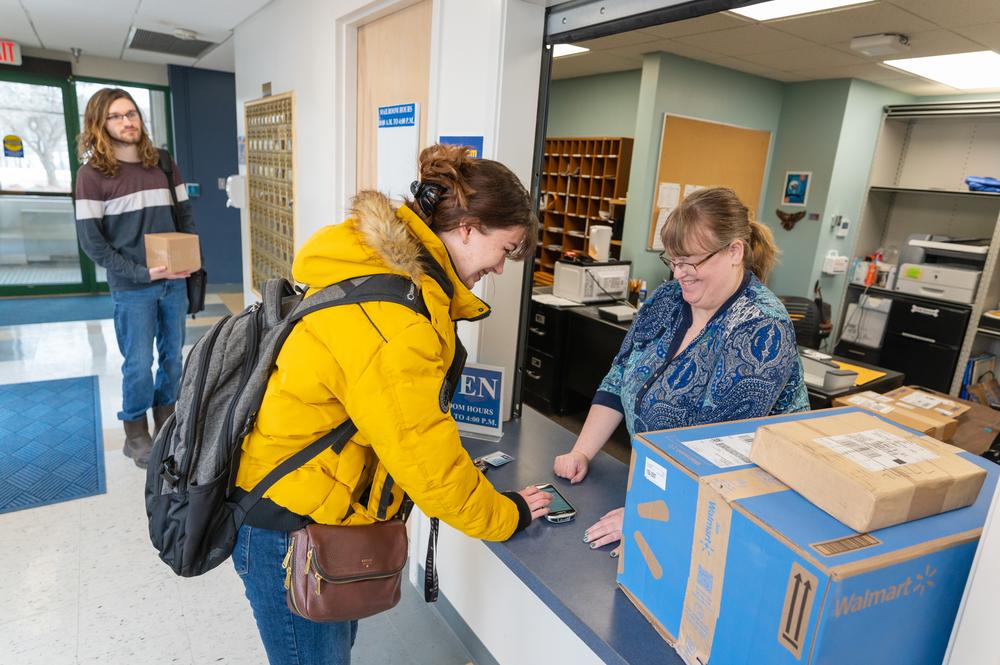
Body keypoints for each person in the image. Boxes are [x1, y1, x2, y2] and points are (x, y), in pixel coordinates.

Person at [232, 144, 551, 665]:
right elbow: (431, 469)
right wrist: (507, 513)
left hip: (311, 510)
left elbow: (398, 425)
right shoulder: (396, 319)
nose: (501, 266)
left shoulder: (376, 273)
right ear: (468, 229)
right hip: (290, 530)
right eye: (508, 249)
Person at [554, 187, 808, 551]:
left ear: (734, 251)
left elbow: (717, 449)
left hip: (734, 513)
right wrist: (581, 451)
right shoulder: (669, 298)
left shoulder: (760, 327)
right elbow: (620, 373)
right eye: (673, 261)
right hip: (665, 483)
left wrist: (646, 514)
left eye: (691, 262)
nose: (680, 274)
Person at [75, 88, 196, 469]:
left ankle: (167, 423)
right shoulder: (91, 175)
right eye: (117, 116)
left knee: (173, 358)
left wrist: (190, 256)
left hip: (174, 281)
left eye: (132, 113)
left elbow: (184, 215)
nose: (128, 122)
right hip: (132, 288)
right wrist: (141, 272)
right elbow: (93, 243)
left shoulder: (161, 162)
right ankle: (136, 434)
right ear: (99, 124)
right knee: (138, 363)